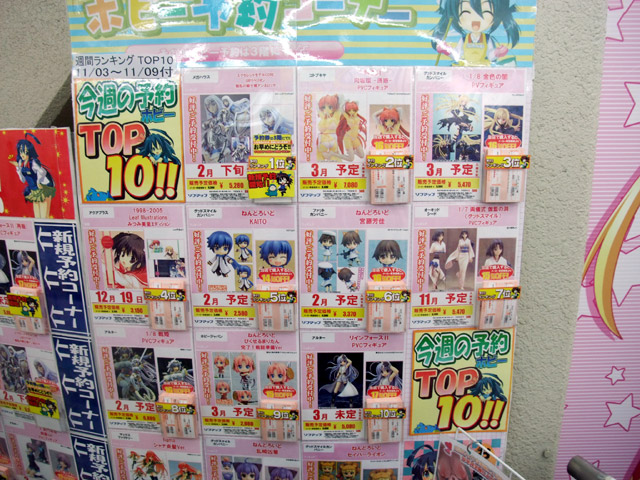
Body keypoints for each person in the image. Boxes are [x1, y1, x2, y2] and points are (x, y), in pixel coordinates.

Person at [431, 0, 520, 67]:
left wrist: (497, 53)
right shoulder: (464, 39)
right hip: (465, 68)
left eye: (486, 12)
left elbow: (490, 55)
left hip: (482, 69)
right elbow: (457, 54)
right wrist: (446, 50)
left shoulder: (487, 39)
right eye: (465, 12)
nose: (475, 20)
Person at [10, 134, 56, 218]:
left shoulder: (33, 162)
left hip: (43, 188)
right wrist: (18, 169)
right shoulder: (21, 163)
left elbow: (42, 171)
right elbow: (23, 180)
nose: (22, 154)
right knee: (37, 216)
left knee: (44, 216)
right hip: (34, 190)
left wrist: (38, 181)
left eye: (25, 152)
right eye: (21, 151)